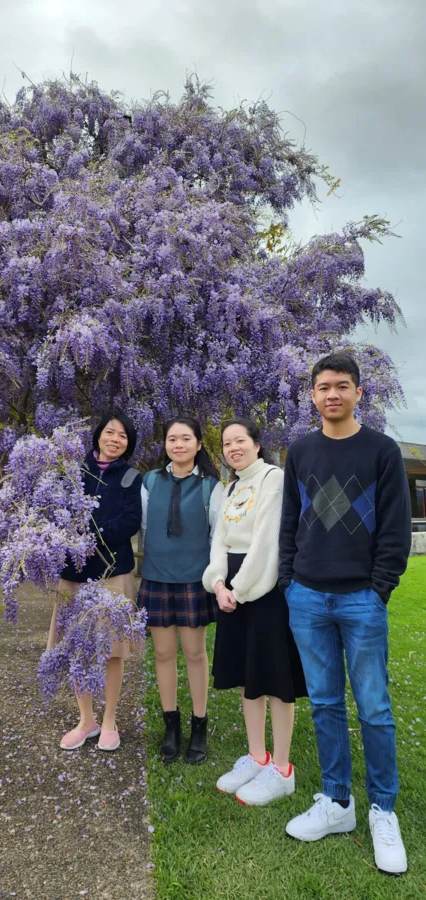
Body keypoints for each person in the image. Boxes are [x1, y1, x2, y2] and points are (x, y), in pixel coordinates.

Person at [279, 353, 411, 875]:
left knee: (374, 708)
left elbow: (396, 528)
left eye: (341, 386)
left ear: (359, 392)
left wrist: (379, 590)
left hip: (361, 598)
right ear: (312, 395)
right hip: (307, 597)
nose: (331, 394)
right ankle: (337, 802)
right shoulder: (300, 451)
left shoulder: (382, 451)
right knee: (325, 704)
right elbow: (289, 522)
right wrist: (289, 582)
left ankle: (383, 810)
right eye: (322, 387)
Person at [203, 419, 307, 806]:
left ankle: (281, 768)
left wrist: (239, 589)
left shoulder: (272, 479)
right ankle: (257, 756)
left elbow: (266, 542)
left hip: (263, 588)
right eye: (227, 443)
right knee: (248, 675)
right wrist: (217, 583)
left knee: (275, 676)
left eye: (240, 441)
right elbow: (219, 541)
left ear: (257, 444)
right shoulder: (231, 487)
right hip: (231, 587)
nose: (233, 448)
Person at [47, 412, 142, 753]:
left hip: (112, 573)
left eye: (123, 436)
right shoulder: (72, 471)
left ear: (128, 444)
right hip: (73, 574)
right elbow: (54, 513)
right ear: (98, 435)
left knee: (112, 651)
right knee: (77, 646)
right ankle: (86, 720)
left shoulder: (130, 476)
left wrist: (93, 535)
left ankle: (110, 721)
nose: (115, 439)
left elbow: (130, 521)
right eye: (110, 432)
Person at [138, 418, 223, 765]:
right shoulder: (149, 481)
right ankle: (170, 725)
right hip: (157, 577)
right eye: (172, 439)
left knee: (195, 653)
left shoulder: (211, 486)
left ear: (198, 444)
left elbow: (217, 535)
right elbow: (144, 527)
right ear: (165, 445)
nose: (178, 445)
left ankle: (199, 724)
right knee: (162, 654)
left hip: (193, 578)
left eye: (186, 438)